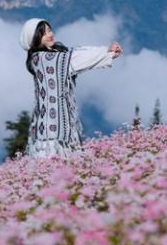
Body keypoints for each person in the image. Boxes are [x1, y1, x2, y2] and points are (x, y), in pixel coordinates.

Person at [19, 18, 122, 158]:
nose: (50, 34)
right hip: (51, 135)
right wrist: (106, 53)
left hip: (55, 128)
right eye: (44, 33)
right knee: (53, 167)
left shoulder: (51, 55)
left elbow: (75, 52)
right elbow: (75, 59)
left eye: (49, 30)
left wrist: (106, 51)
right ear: (35, 38)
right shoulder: (43, 59)